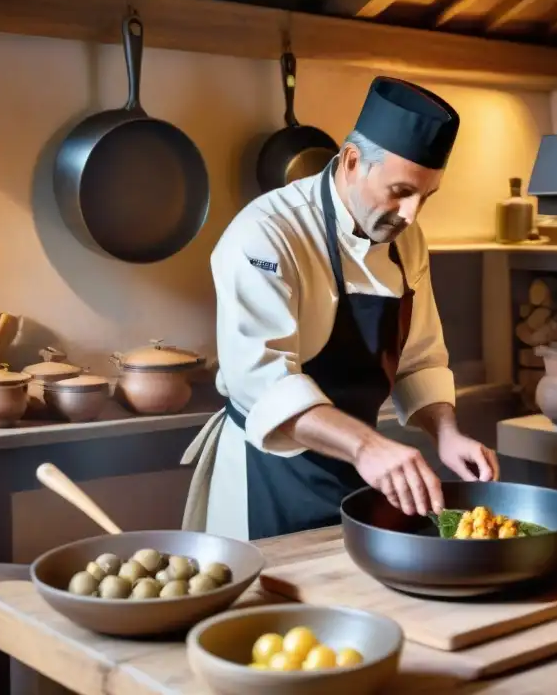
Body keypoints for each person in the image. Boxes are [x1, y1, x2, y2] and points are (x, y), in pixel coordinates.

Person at [181, 76, 500, 540]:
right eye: (400, 191)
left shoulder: (404, 239)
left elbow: (420, 359)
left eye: (424, 197)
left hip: (358, 469)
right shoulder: (266, 234)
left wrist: (445, 433)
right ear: (352, 161)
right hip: (271, 474)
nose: (411, 216)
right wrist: (369, 446)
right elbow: (265, 385)